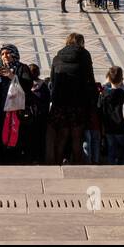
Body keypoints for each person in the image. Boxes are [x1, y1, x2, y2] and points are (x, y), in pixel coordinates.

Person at [45, 33, 95, 165]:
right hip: (78, 103)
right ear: (81, 43)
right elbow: (90, 79)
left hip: (60, 104)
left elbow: (53, 81)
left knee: (62, 136)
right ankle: (77, 166)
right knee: (77, 137)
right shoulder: (84, 55)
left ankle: (57, 164)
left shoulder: (57, 57)